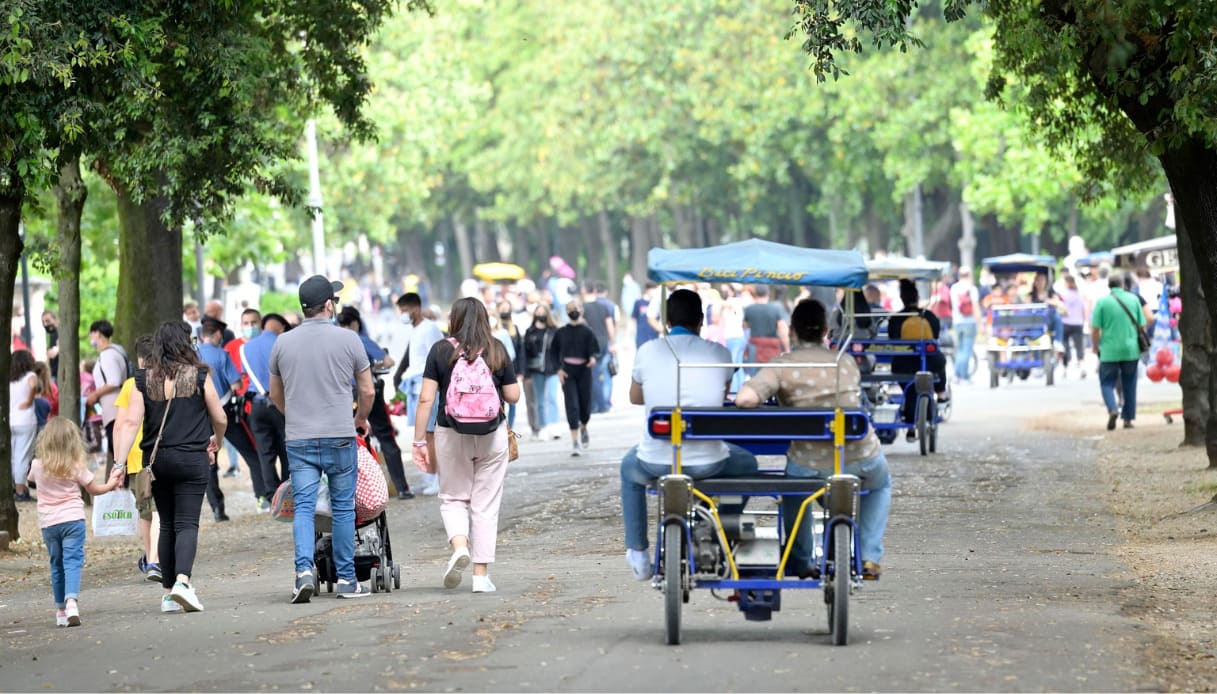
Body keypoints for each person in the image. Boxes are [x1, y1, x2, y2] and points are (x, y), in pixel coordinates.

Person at [735, 298, 890, 580]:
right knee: (880, 485)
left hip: (809, 463)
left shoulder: (781, 366)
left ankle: (801, 558)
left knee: (794, 490)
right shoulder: (845, 362)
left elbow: (745, 399)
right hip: (860, 456)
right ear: (826, 331)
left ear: (792, 331)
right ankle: (869, 555)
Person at [620, 289, 759, 580]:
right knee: (748, 464)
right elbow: (721, 397)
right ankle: (718, 524)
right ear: (700, 320)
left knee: (628, 469)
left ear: (667, 321)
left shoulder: (647, 350)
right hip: (707, 461)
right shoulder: (720, 353)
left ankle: (638, 551)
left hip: (656, 460)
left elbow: (635, 397)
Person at [270, 275, 375, 602]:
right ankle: (346, 579)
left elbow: (275, 395)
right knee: (342, 508)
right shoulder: (349, 340)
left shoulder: (282, 343)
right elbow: (368, 390)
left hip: (299, 438)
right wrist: (360, 419)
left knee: (303, 506)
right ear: (329, 305)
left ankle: (304, 572)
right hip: (340, 435)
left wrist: (295, 415)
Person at [112, 320, 228, 613]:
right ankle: (182, 582)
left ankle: (167, 595)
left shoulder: (142, 379)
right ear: (185, 343)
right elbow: (220, 417)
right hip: (192, 458)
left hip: (157, 462)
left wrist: (119, 463)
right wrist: (216, 440)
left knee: (166, 524)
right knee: (187, 523)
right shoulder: (199, 375)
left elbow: (129, 422)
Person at [411, 297, 521, 594]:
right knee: (485, 504)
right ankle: (481, 576)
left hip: (451, 432)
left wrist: (419, 440)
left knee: (452, 497)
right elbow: (513, 396)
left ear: (455, 319)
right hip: (492, 434)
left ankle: (460, 546)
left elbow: (426, 398)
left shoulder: (441, 350)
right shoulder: (497, 348)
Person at [28, 418, 126, 627]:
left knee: (56, 564)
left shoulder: (37, 465)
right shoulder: (75, 466)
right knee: (72, 561)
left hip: (49, 523)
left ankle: (60, 611)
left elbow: (30, 481)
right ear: (73, 441)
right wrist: (111, 484)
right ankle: (71, 602)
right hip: (73, 520)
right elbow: (94, 490)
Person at [337, 306, 413, 500]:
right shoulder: (361, 340)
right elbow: (388, 362)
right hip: (367, 393)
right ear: (356, 322)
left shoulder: (333, 343)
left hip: (343, 396)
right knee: (386, 437)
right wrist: (373, 365)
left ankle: (354, 492)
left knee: (347, 442)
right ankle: (402, 488)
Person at [200, 318, 267, 520]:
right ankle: (262, 496)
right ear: (218, 334)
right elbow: (236, 385)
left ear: (202, 335)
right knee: (251, 454)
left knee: (208, 461)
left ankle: (217, 508)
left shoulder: (193, 355)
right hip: (226, 411)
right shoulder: (222, 355)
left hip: (202, 415)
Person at [113, 336, 164, 584]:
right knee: (159, 510)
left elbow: (119, 425)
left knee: (146, 512)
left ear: (140, 359)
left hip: (135, 458)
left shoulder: (131, 385)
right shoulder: (168, 381)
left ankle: (151, 557)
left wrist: (118, 462)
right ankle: (155, 559)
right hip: (162, 454)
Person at [394, 292, 445, 496]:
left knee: (431, 433)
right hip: (416, 386)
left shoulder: (429, 328)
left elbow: (438, 356)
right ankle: (429, 475)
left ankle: (438, 478)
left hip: (429, 386)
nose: (403, 314)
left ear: (415, 308)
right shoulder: (415, 330)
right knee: (422, 433)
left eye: (405, 310)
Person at [887, 279, 949, 439]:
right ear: (917, 297)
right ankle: (941, 394)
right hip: (928, 364)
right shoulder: (929, 316)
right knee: (940, 360)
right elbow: (935, 337)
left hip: (903, 365)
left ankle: (911, 424)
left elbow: (892, 340)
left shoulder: (895, 319)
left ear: (901, 298)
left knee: (910, 391)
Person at [241, 312, 291, 507]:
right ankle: (288, 491)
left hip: (257, 405)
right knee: (287, 450)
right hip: (280, 403)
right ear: (280, 327)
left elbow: (245, 375)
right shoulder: (282, 344)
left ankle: (271, 495)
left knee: (265, 453)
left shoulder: (245, 348)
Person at [1092, 273, 1145, 431]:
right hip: (1130, 349)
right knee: (1130, 383)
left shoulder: (1102, 302)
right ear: (1122, 285)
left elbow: (1095, 329)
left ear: (1109, 286)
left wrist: (1095, 346)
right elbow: (1142, 324)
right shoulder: (1134, 299)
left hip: (1109, 350)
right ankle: (1127, 419)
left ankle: (1113, 408)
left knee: (1107, 382)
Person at [84, 320, 130, 478]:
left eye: (91, 334)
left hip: (114, 408)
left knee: (117, 450)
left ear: (97, 334)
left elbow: (113, 381)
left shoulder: (108, 355)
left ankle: (121, 486)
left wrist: (95, 395)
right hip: (114, 407)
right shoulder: (116, 351)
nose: (91, 338)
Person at [554, 300, 600, 456]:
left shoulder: (588, 331)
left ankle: (584, 426)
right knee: (572, 405)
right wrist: (559, 369)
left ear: (582, 310)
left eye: (577, 308)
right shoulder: (561, 332)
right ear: (566, 312)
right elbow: (553, 353)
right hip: (568, 372)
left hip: (584, 370)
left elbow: (595, 350)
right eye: (570, 308)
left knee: (585, 404)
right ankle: (575, 441)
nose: (574, 310)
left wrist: (592, 358)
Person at [523, 304, 561, 440]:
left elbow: (560, 350)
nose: (541, 315)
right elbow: (525, 353)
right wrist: (526, 373)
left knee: (552, 397)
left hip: (552, 368)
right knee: (539, 400)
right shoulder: (530, 331)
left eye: (543, 312)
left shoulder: (554, 331)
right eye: (538, 312)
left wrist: (561, 368)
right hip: (535, 369)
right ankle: (543, 426)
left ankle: (554, 425)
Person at [580, 281, 616, 414]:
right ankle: (604, 402)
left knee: (592, 374)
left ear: (584, 291)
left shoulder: (582, 308)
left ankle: (596, 405)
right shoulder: (603, 307)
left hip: (589, 344)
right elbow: (610, 326)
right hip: (603, 343)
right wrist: (613, 343)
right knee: (604, 373)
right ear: (594, 291)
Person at [10, 349, 38, 501]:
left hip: (11, 420)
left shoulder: (10, 379)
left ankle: (13, 486)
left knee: (13, 457)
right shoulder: (30, 375)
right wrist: (29, 400)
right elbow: (33, 386)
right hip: (26, 421)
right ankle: (20, 490)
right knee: (22, 456)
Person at [494, 299, 526, 430]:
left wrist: (521, 371)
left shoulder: (514, 329)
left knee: (512, 401)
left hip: (511, 368)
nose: (505, 312)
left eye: (507, 309)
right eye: (503, 309)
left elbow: (519, 351)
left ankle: (510, 429)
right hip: (496, 369)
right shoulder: (493, 329)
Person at [743, 285, 790, 367]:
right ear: (767, 293)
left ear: (755, 294)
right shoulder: (775, 309)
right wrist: (787, 349)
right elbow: (783, 331)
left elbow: (745, 326)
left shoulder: (749, 309)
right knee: (772, 371)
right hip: (772, 346)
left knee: (755, 372)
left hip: (755, 345)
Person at [950, 268, 980, 383]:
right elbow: (975, 307)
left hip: (957, 322)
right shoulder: (971, 288)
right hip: (969, 322)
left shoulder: (954, 288)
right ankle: (963, 375)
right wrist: (979, 322)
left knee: (960, 349)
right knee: (967, 349)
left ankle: (958, 374)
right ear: (969, 275)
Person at [1058, 273, 1088, 379]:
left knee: (1065, 345)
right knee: (1079, 346)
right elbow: (1084, 309)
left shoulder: (1063, 294)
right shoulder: (1079, 294)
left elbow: (1060, 307)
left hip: (1065, 322)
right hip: (1078, 323)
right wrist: (1084, 320)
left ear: (1066, 283)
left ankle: (1065, 369)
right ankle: (1082, 366)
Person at [41, 311, 59, 381]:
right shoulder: (52, 334)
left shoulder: (59, 332)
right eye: (43, 322)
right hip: (54, 374)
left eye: (47, 321)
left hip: (58, 375)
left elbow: (53, 353)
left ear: (55, 319)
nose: (45, 324)